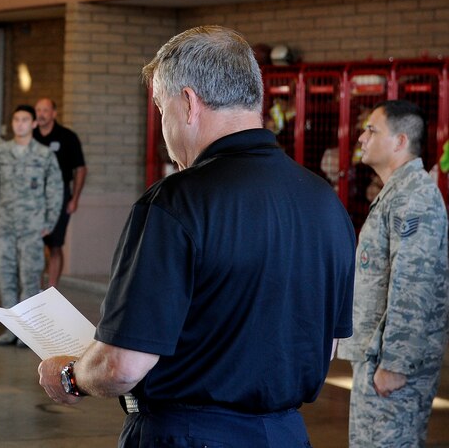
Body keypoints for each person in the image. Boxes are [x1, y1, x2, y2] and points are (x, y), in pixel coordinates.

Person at [37, 26, 356, 447]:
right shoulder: (325, 203)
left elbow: (123, 365)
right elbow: (326, 344)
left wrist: (70, 376)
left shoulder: (176, 202)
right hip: (286, 433)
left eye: (160, 108)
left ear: (188, 103)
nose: (163, 128)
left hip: (188, 434)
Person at [337, 100, 449, 447]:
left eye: (372, 130)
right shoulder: (397, 192)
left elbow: (415, 284)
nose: (361, 137)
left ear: (400, 141)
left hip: (391, 365)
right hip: (376, 356)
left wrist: (396, 364)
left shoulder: (414, 196)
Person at [0, 105, 62, 346]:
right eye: (16, 119)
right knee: (6, 275)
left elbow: (54, 190)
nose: (19, 124)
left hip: (32, 226)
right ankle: (11, 329)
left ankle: (28, 332)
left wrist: (49, 221)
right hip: (5, 225)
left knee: (29, 278)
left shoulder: (44, 155)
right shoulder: (2, 152)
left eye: (24, 120)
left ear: (33, 124)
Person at [33, 98, 86, 287]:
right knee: (35, 245)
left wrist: (75, 199)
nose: (41, 114)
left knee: (54, 244)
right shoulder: (30, 136)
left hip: (59, 196)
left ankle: (51, 290)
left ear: (54, 113)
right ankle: (37, 289)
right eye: (38, 110)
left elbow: (80, 169)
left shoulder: (67, 137)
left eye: (45, 110)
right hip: (33, 198)